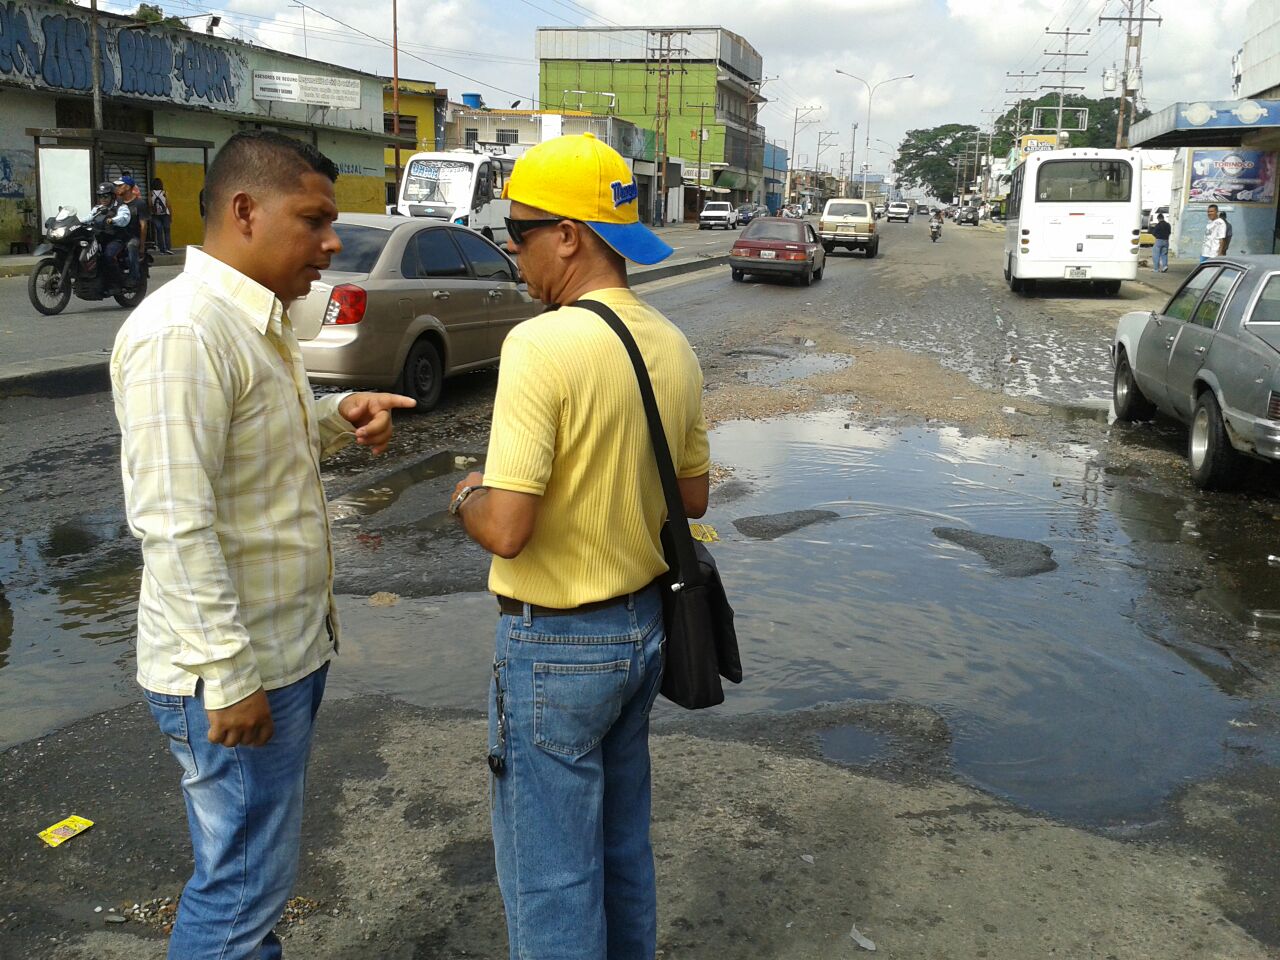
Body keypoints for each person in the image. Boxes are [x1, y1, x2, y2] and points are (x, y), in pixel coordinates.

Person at [110, 131, 416, 960]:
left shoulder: (255, 319)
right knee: (241, 891)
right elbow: (172, 520)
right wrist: (230, 677)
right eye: (314, 219)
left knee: (251, 875)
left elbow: (255, 448)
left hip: (279, 654)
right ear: (245, 211)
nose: (330, 243)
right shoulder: (185, 332)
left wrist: (336, 416)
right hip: (236, 669)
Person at [450, 132, 710, 960]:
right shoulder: (672, 343)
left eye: (519, 234)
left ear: (568, 235)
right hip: (642, 633)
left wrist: (461, 493)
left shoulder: (541, 345)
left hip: (557, 644)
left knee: (550, 878)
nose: (514, 254)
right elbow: (694, 496)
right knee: (622, 853)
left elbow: (508, 526)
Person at [94, 180, 131, 293]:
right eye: (100, 196)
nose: (103, 199)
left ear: (112, 196)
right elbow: (88, 217)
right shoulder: (98, 208)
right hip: (101, 238)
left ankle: (116, 283)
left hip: (117, 239)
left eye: (105, 196)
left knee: (108, 256)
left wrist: (113, 220)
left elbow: (124, 219)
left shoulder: (121, 207)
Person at [114, 176, 147, 286]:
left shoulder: (139, 204)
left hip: (133, 237)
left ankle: (134, 277)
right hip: (118, 236)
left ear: (127, 187)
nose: (117, 188)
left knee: (131, 245)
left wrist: (142, 246)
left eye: (120, 185)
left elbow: (143, 226)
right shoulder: (117, 202)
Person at [150, 176, 173, 254]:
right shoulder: (165, 193)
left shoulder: (151, 193)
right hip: (165, 214)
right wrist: (171, 216)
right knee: (167, 231)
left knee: (159, 232)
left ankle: (162, 250)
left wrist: (152, 213)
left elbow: (149, 205)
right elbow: (168, 204)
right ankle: (168, 248)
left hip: (155, 215)